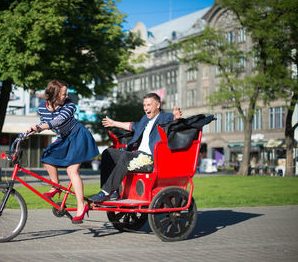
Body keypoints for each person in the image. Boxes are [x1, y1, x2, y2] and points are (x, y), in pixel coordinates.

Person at [28, 79, 99, 223]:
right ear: (53, 94)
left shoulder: (69, 106)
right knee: (47, 157)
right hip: (64, 138)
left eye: (66, 94)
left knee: (72, 171)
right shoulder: (41, 108)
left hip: (78, 136)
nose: (66, 96)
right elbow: (44, 123)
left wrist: (41, 127)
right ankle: (56, 186)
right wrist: (31, 131)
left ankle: (81, 206)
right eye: (63, 94)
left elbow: (58, 121)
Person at [89, 93, 182, 203]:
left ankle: (105, 192)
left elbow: (173, 123)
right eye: (144, 105)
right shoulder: (145, 119)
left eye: (148, 105)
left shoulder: (165, 117)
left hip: (150, 159)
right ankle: (112, 191)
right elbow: (131, 125)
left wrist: (176, 118)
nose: (145, 108)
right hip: (137, 155)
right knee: (107, 153)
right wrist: (113, 123)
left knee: (126, 157)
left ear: (158, 105)